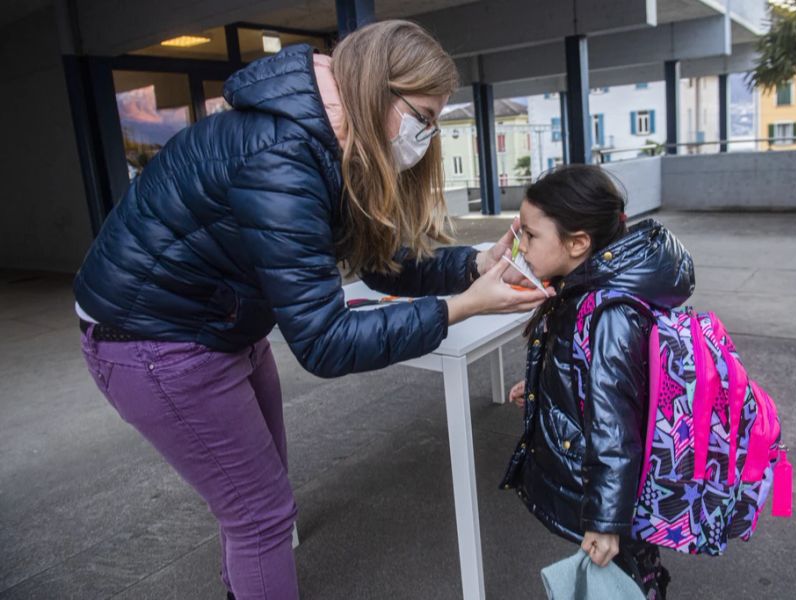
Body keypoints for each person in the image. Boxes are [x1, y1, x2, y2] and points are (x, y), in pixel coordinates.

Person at [74, 20, 550, 600]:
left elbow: (380, 262)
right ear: (378, 91)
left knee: (259, 502)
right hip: (153, 341)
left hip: (221, 325)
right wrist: (460, 308)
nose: (426, 135)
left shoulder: (328, 139)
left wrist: (474, 266)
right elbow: (325, 343)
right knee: (260, 515)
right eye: (422, 117)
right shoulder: (284, 154)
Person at [500, 164, 695, 598]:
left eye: (530, 235)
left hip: (617, 494)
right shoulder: (585, 287)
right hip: (618, 488)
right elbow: (585, 375)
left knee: (625, 575)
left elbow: (615, 429)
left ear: (578, 243)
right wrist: (540, 387)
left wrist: (606, 523)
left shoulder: (608, 314)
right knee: (628, 569)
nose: (520, 247)